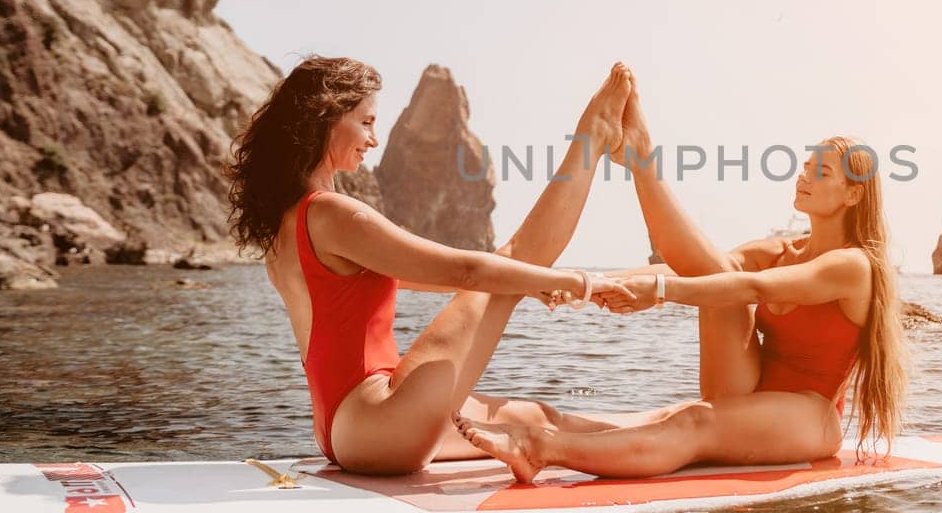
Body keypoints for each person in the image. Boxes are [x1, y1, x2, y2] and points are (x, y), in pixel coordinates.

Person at [455, 69, 909, 482]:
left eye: (821, 171)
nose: (803, 177)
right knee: (664, 391)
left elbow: (752, 288)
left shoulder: (853, 265)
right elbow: (691, 268)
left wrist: (657, 293)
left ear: (853, 194)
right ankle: (640, 158)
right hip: (745, 393)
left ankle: (538, 448)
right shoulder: (781, 250)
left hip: (809, 416)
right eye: (805, 167)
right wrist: (587, 284)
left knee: (692, 421)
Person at [225, 57, 637, 475]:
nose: (373, 139)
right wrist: (580, 283)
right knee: (515, 255)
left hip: (346, 432)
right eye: (366, 122)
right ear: (326, 118)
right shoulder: (330, 214)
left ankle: (670, 439)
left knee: (538, 418)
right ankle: (593, 138)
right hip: (382, 422)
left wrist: (530, 284)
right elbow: (467, 273)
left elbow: (436, 279)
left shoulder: (287, 225)